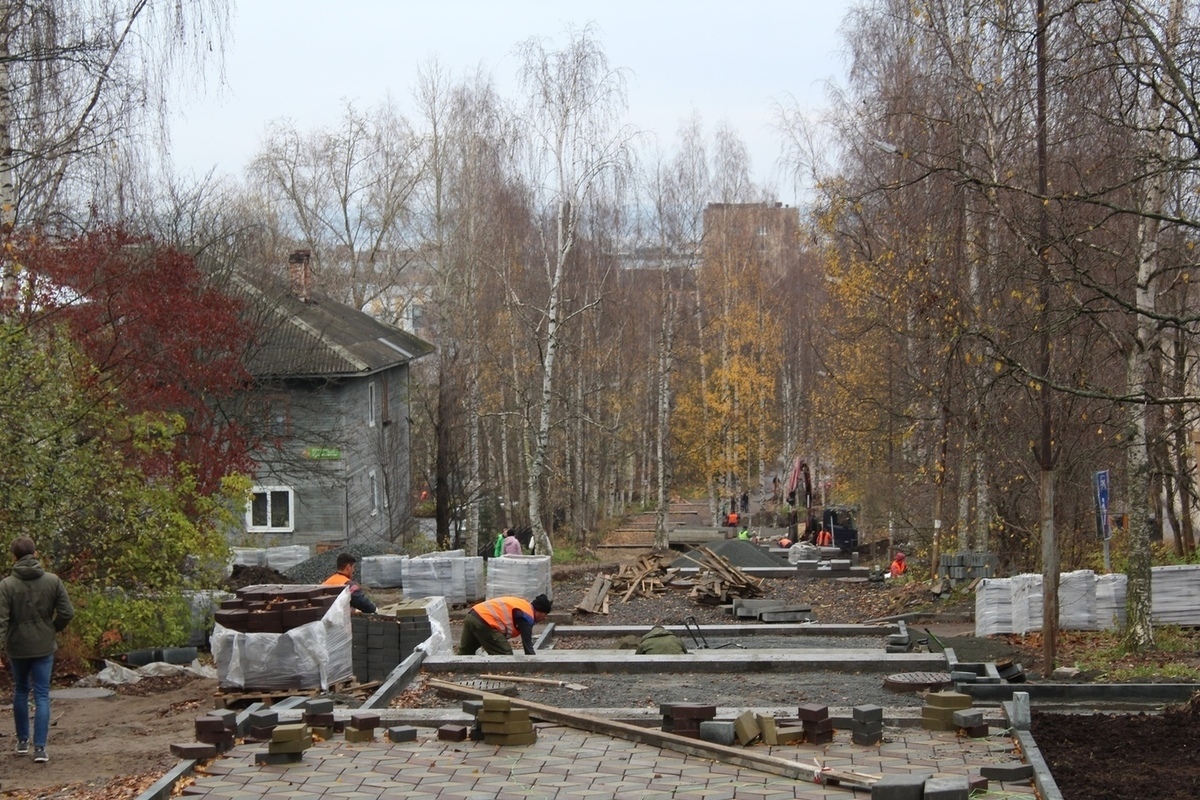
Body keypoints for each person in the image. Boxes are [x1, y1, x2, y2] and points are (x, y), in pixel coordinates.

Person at [0, 536, 74, 763]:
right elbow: (67, 612)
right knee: (42, 694)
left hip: (18, 647)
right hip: (43, 645)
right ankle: (40, 748)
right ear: (35, 553)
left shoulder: (6, 585)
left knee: (21, 690)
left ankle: (23, 741)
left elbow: (1, 620)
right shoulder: (52, 581)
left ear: (14, 556)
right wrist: (52, 629)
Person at [457, 594, 552, 655]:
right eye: (545, 615)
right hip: (484, 621)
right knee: (505, 654)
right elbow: (528, 645)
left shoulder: (523, 604)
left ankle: (453, 672)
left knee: (465, 653)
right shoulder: (527, 616)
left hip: (472, 615)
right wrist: (533, 663)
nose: (545, 618)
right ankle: (500, 677)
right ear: (539, 611)